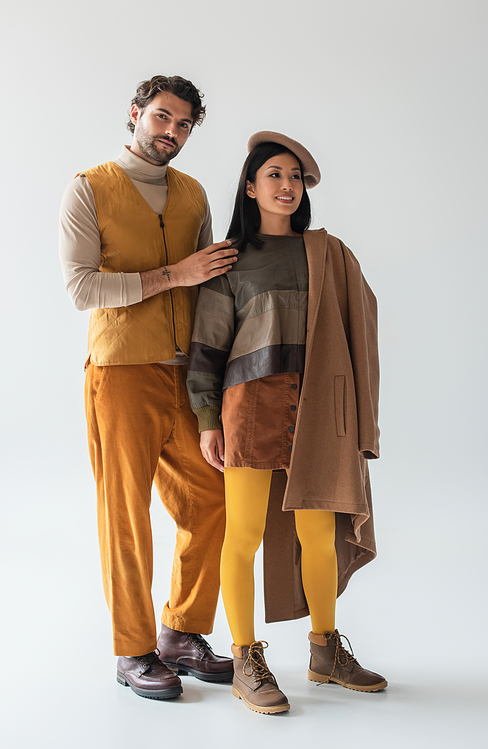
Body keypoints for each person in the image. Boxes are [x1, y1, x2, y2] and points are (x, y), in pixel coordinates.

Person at [187, 131, 387, 714]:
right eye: (274, 175)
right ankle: (247, 657)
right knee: (243, 535)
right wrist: (207, 417)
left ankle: (326, 651)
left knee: (318, 534)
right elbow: (208, 345)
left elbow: (360, 326)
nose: (287, 186)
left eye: (295, 177)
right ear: (250, 187)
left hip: (322, 409)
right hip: (249, 409)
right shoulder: (232, 260)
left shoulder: (330, 253)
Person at [59, 75, 238, 701]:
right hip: (121, 374)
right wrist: (173, 274)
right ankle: (131, 649)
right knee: (126, 515)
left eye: (185, 125)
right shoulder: (89, 188)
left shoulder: (191, 194)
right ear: (136, 114)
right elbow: (83, 288)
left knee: (214, 498)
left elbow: (208, 282)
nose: (173, 132)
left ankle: (180, 631)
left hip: (187, 375)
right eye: (163, 118)